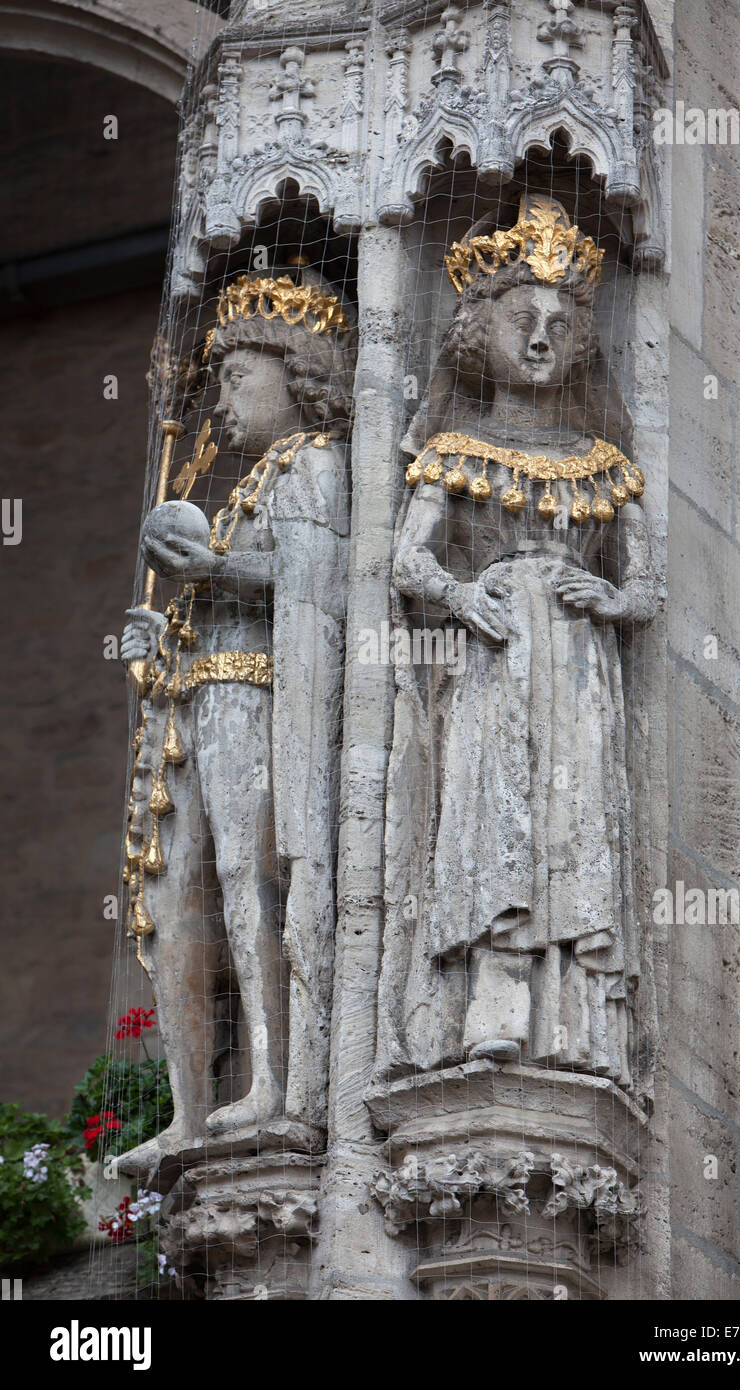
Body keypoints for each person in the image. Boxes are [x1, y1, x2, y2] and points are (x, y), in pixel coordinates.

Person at [375, 197, 657, 1092]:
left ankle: (577, 1025)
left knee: (576, 819)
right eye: (519, 319)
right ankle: (492, 1002)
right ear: (476, 330)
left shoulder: (602, 462)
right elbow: (405, 562)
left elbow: (647, 586)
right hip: (493, 656)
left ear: (580, 344)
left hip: (578, 662)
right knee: (493, 811)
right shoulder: (455, 448)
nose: (540, 338)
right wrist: (461, 596)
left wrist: (611, 597)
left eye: (559, 324)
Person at [119, 267, 354, 1165]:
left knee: (251, 882)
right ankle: (187, 1112)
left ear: (298, 373)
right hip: (200, 708)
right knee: (182, 902)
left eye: (236, 376)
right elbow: (223, 603)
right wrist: (163, 636)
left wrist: (211, 571)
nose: (220, 400)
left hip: (257, 703)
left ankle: (277, 1083)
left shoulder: (314, 464)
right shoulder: (251, 484)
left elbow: (315, 583)